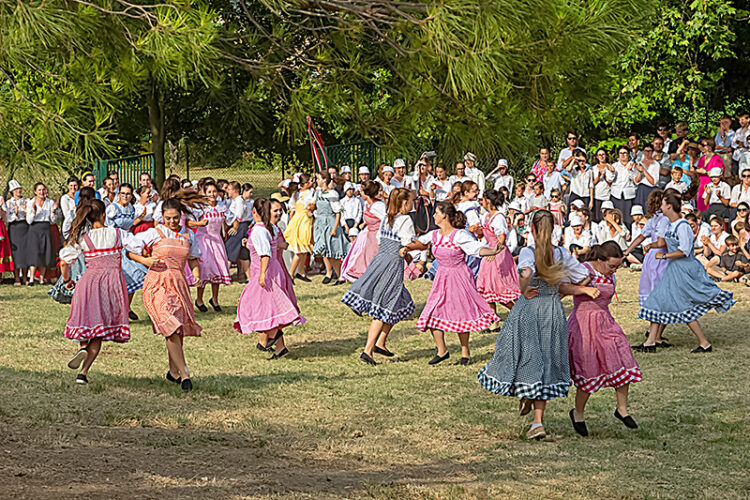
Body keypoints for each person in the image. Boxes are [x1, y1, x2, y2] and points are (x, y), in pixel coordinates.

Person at [478, 210, 589, 440]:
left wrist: (523, 288)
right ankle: (536, 418)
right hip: (552, 310)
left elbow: (526, 271)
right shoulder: (561, 253)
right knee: (545, 359)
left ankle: (530, 403)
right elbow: (583, 275)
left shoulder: (528, 252)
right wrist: (559, 292)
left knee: (522, 354)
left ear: (532, 229)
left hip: (529, 308)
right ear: (553, 229)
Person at [635, 194, 735, 353]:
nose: (660, 207)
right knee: (657, 300)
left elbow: (685, 251)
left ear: (669, 206)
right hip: (672, 269)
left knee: (683, 306)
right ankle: (651, 342)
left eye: (662, 204)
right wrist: (652, 246)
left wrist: (665, 256)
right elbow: (665, 242)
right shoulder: (670, 225)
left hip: (684, 270)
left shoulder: (683, 226)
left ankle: (704, 343)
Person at [407, 202, 502, 365]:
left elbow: (475, 248)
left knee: (461, 313)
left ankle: (465, 353)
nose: (434, 215)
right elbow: (421, 243)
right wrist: (406, 248)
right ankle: (442, 351)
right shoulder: (434, 234)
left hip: (459, 277)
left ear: (445, 215)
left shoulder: (459, 235)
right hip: (441, 278)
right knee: (431, 312)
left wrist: (492, 251)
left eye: (436, 213)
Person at [563, 242, 643, 436]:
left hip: (605, 322)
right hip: (583, 324)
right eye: (612, 266)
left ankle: (621, 409)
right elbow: (562, 288)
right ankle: (578, 413)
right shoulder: (585, 270)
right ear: (600, 260)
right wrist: (584, 289)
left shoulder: (610, 273)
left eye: (618, 266)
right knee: (588, 368)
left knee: (623, 359)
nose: (614, 270)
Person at [60, 199, 143, 384]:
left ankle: (82, 347)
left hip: (88, 283)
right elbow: (138, 245)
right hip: (111, 284)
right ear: (104, 215)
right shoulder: (118, 233)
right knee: (100, 330)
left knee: (86, 321)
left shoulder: (84, 238)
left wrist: (67, 280)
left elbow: (64, 261)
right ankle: (83, 373)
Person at [131, 196, 205, 391]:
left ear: (181, 216)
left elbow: (193, 259)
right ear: (162, 217)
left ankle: (173, 372)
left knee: (178, 329)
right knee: (170, 325)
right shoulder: (154, 233)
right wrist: (145, 261)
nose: (172, 221)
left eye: (175, 218)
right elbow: (129, 249)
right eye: (168, 218)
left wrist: (196, 275)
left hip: (179, 284)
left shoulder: (188, 235)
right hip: (157, 283)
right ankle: (185, 374)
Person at [341, 189, 416, 364]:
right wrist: (418, 251)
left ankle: (380, 343)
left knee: (401, 303)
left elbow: (380, 240)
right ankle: (368, 351)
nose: (413, 204)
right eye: (411, 201)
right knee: (384, 305)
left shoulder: (386, 219)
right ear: (404, 203)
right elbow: (407, 244)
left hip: (380, 260)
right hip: (392, 264)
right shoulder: (405, 220)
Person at [235, 199, 305, 359]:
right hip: (272, 270)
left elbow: (265, 254)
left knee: (256, 307)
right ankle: (279, 346)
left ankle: (272, 335)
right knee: (270, 308)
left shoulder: (260, 230)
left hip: (266, 271)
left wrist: (262, 274)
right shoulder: (268, 228)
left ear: (254, 212)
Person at [476, 190, 521, 328]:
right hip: (489, 251)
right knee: (488, 288)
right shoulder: (486, 216)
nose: (482, 202)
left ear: (489, 201)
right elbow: (483, 235)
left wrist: (494, 252)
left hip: (498, 254)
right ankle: (494, 322)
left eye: (483, 200)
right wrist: (476, 231)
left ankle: (519, 313)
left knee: (500, 288)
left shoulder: (499, 217)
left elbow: (501, 237)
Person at [105, 183, 148, 320]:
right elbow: (108, 229)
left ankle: (126, 307)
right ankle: (115, 310)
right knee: (119, 279)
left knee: (136, 274)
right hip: (116, 245)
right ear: (119, 194)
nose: (125, 196)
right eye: (123, 193)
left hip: (128, 245)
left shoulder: (131, 208)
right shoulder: (112, 208)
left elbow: (130, 226)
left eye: (128, 194)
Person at [190, 182, 234, 312]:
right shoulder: (201, 207)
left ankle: (215, 299)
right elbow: (188, 221)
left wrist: (234, 227)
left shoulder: (221, 206)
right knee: (203, 269)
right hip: (203, 240)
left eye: (214, 191)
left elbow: (233, 219)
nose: (212, 194)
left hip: (216, 241)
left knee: (217, 268)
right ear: (204, 193)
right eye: (209, 192)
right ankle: (199, 299)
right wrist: (199, 223)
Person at [624, 189, 669, 309]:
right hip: (661, 255)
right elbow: (660, 241)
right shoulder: (664, 219)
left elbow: (641, 236)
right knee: (658, 281)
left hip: (652, 256)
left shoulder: (654, 219)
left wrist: (628, 250)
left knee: (653, 280)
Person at [340, 181, 385, 282]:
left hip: (377, 238)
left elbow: (385, 220)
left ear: (366, 193)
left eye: (361, 191)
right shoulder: (367, 204)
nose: (360, 193)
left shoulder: (378, 205)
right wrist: (365, 224)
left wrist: (379, 234)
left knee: (374, 261)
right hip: (369, 237)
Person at [313, 171, 350, 283]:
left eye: (318, 178)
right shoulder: (318, 193)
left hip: (330, 223)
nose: (317, 181)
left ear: (324, 180)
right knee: (324, 250)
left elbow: (338, 212)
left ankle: (340, 275)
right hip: (321, 223)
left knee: (333, 251)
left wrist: (334, 228)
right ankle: (329, 273)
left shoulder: (332, 194)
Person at [284, 173, 316, 282]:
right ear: (305, 184)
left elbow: (292, 209)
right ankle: (291, 273)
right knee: (300, 249)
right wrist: (311, 208)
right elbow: (310, 206)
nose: (312, 183)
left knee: (304, 247)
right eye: (310, 181)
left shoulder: (296, 194)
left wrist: (291, 222)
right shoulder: (308, 193)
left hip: (298, 220)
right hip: (303, 221)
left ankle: (301, 271)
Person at [25, 182, 58, 285]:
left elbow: (53, 221)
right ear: (35, 191)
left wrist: (54, 212)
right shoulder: (31, 202)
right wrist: (34, 212)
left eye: (43, 190)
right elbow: (29, 221)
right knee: (34, 252)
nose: (41, 192)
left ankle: (41, 279)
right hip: (35, 229)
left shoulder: (50, 202)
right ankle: (31, 279)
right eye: (39, 190)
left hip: (45, 228)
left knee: (44, 252)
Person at [3, 180, 28, 285]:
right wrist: (15, 215)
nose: (18, 191)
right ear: (12, 191)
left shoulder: (26, 201)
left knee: (25, 251)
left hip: (25, 226)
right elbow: (7, 218)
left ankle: (25, 277)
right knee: (16, 252)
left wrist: (27, 213)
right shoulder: (9, 203)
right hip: (14, 227)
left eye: (19, 189)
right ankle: (17, 277)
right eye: (16, 189)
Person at [696, 139, 725, 213]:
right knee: (700, 206)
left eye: (703, 145)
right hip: (702, 185)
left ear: (710, 146)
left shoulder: (716, 158)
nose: (701, 147)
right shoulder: (702, 158)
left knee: (710, 207)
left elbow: (719, 173)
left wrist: (705, 172)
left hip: (711, 185)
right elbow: (698, 169)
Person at [611, 146, 637, 227]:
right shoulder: (614, 165)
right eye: (621, 153)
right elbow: (609, 179)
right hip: (616, 194)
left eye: (624, 153)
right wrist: (612, 172)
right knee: (617, 216)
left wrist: (630, 171)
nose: (622, 155)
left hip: (629, 195)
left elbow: (636, 181)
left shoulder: (633, 165)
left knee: (628, 218)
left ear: (628, 154)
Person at [592, 148, 615, 223]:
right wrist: (598, 177)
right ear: (597, 157)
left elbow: (611, 182)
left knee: (605, 217)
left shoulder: (610, 167)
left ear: (606, 156)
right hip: (596, 195)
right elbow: (592, 183)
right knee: (596, 218)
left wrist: (607, 175)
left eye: (603, 154)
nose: (601, 156)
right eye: (599, 155)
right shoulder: (594, 168)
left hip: (606, 196)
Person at [634, 143, 660, 208]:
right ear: (643, 151)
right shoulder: (639, 163)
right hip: (641, 190)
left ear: (653, 152)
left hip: (652, 190)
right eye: (646, 151)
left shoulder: (656, 164)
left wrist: (644, 170)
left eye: (649, 151)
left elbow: (653, 182)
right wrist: (640, 172)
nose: (647, 153)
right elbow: (636, 181)